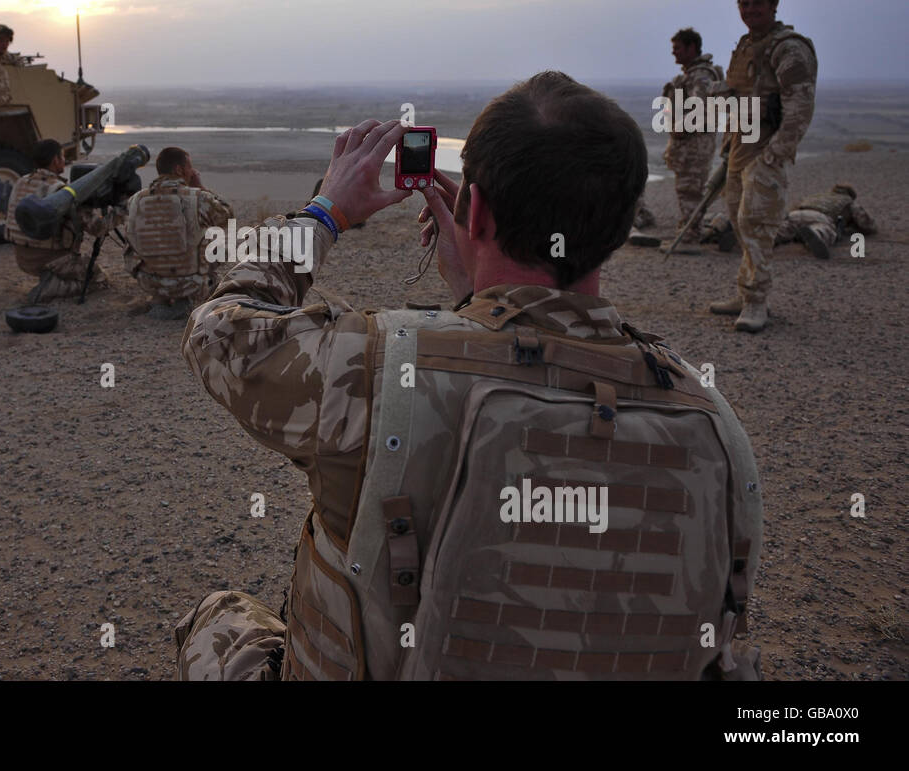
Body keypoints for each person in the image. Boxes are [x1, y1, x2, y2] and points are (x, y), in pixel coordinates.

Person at [176, 72, 763, 681]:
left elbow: (220, 332)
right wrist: (481, 296)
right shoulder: (710, 421)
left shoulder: (376, 370)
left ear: (473, 211)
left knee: (218, 620)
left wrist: (326, 211)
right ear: (617, 229)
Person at [709, 0, 817, 333]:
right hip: (741, 145)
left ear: (773, 6)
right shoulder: (745, 46)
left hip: (765, 150)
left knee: (758, 223)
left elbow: (800, 106)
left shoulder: (789, 48)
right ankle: (744, 292)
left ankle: (757, 302)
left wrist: (776, 154)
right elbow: (739, 98)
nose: (750, 10)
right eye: (744, 4)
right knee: (742, 224)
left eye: (757, 3)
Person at [3, 139, 116, 300]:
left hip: (22, 257)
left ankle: (51, 279)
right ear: (55, 160)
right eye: (62, 157)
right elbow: (97, 228)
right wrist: (119, 213)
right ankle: (52, 288)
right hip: (52, 259)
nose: (64, 160)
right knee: (99, 280)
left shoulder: (21, 182)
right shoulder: (61, 193)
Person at [123, 147, 234, 312]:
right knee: (219, 243)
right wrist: (201, 187)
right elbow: (228, 216)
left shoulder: (135, 200)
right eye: (189, 167)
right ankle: (195, 291)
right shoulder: (198, 198)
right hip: (191, 283)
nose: (192, 172)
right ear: (179, 169)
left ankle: (160, 298)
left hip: (149, 282)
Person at [661, 28, 723, 231]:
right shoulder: (691, 75)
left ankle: (690, 235)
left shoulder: (701, 76)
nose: (674, 52)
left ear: (692, 47)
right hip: (689, 144)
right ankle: (690, 229)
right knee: (687, 189)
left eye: (677, 48)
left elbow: (701, 109)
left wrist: (679, 128)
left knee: (690, 190)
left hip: (695, 145)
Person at [774, 184, 876, 259]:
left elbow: (795, 206)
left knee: (786, 228)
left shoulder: (817, 196)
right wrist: (871, 228)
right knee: (824, 229)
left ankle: (770, 238)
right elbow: (864, 222)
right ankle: (817, 234)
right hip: (821, 217)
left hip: (797, 213)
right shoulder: (847, 200)